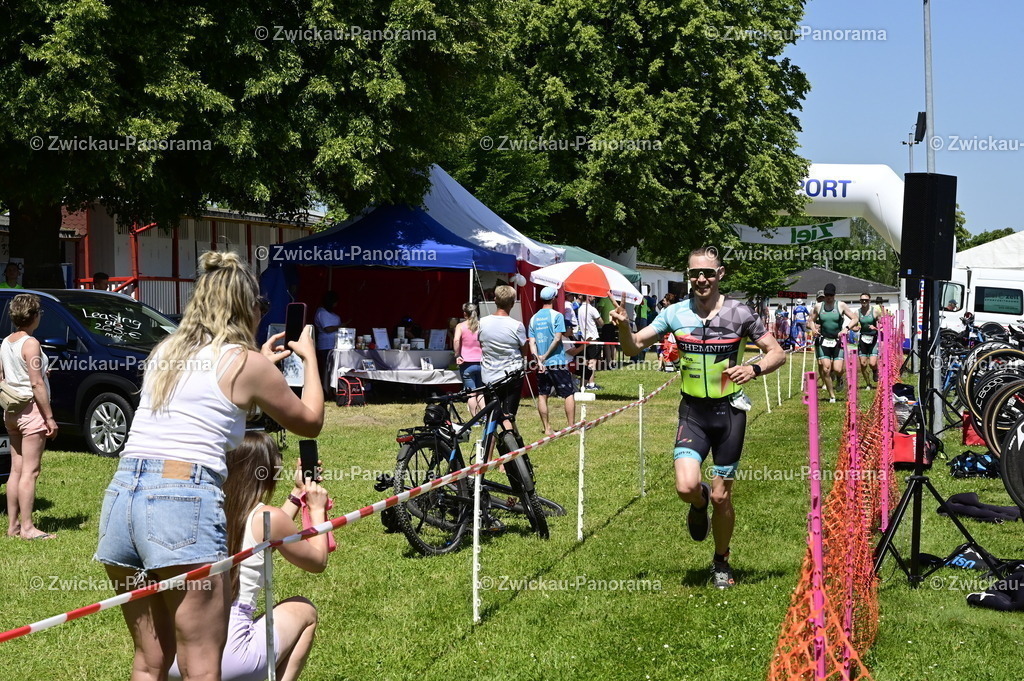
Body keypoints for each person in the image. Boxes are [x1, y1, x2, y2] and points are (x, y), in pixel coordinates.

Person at [94, 251, 325, 681]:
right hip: (180, 501)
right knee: (202, 662)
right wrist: (310, 359)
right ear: (246, 307)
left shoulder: (166, 351)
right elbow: (309, 423)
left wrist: (257, 364)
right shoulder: (246, 363)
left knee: (150, 660)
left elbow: (207, 400)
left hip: (121, 500)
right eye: (261, 306)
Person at [609, 247, 785, 589]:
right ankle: (698, 500)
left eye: (707, 273)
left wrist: (753, 368)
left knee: (723, 497)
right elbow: (632, 348)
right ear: (688, 277)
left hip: (730, 414)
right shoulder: (674, 313)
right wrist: (623, 327)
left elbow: (776, 351)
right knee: (686, 487)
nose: (700, 280)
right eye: (694, 274)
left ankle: (721, 561)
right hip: (693, 413)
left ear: (720, 274)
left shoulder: (740, 313)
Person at [167, 432, 329, 681]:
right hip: (231, 657)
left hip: (176, 655)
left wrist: (297, 495)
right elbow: (317, 561)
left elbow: (262, 538)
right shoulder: (268, 518)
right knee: (305, 610)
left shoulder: (201, 510)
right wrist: (317, 510)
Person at [3, 294, 59, 540]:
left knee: (16, 469)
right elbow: (36, 383)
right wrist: (49, 418)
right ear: (34, 316)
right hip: (31, 410)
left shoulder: (5, 342)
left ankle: (13, 526)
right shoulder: (31, 343)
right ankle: (28, 528)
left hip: (11, 411)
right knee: (31, 471)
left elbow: (5, 376)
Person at [528, 287, 577, 436]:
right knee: (568, 393)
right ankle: (571, 427)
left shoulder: (534, 318)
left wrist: (538, 358)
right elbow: (557, 338)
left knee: (543, 395)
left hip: (541, 365)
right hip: (556, 361)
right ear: (554, 298)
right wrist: (546, 356)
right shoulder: (557, 316)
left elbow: (531, 343)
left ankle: (547, 428)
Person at [478, 285, 527, 422]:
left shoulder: (482, 322)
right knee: (508, 416)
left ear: (495, 300)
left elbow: (481, 344)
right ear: (512, 303)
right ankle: (511, 439)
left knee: (492, 418)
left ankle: (490, 443)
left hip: (489, 375)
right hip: (512, 375)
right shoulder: (517, 326)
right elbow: (524, 350)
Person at [807, 283, 858, 402]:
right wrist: (814, 329)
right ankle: (832, 395)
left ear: (834, 295)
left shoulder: (841, 305)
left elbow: (855, 318)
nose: (828, 297)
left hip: (837, 340)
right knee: (826, 369)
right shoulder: (819, 306)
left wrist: (846, 328)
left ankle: (839, 378)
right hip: (824, 339)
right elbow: (811, 321)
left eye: (830, 295)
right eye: (826, 295)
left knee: (838, 368)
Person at [453, 303, 485, 417]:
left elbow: (456, 340)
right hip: (481, 361)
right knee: (481, 391)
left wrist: (457, 355)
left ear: (465, 314)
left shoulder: (460, 326)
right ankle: (485, 416)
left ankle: (475, 418)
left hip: (466, 362)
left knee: (471, 393)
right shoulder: (481, 325)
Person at [313, 291, 340, 391]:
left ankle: (331, 389)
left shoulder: (331, 314)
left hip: (334, 344)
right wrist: (341, 326)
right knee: (326, 368)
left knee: (333, 368)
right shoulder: (321, 313)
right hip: (326, 345)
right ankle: (325, 389)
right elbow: (327, 329)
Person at [576, 295, 603, 390]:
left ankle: (585, 382)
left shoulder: (580, 309)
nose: (594, 298)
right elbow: (601, 323)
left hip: (584, 338)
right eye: (592, 296)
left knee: (586, 361)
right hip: (593, 338)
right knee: (593, 362)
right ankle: (591, 383)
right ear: (587, 297)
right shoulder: (592, 309)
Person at [855, 293, 881, 390]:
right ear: (860, 301)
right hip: (863, 339)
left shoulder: (875, 312)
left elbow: (882, 324)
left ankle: (875, 371)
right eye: (862, 300)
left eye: (866, 300)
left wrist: (875, 327)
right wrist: (855, 328)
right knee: (863, 364)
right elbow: (853, 325)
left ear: (869, 301)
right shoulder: (857, 312)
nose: (864, 301)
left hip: (873, 339)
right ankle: (868, 383)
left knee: (872, 363)